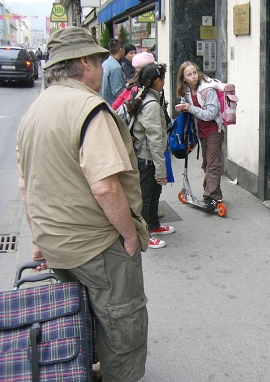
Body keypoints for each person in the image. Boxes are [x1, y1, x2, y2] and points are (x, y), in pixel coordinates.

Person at [17, 27, 149, 382]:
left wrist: (38, 238)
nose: (101, 65)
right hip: (95, 243)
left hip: (55, 242)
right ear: (83, 63)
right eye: (97, 60)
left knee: (80, 315)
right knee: (122, 321)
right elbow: (105, 187)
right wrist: (130, 236)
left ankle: (81, 369)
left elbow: (27, 185)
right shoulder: (89, 109)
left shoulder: (35, 111)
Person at [126, 63, 174, 249]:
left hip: (146, 157)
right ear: (157, 81)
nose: (163, 82)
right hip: (147, 159)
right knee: (146, 197)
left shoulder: (145, 97)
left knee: (154, 194)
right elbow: (155, 140)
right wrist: (161, 170)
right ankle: (144, 234)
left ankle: (153, 226)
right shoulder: (152, 104)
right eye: (162, 78)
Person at [174, 61, 224, 209]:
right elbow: (189, 108)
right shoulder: (186, 91)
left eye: (195, 72)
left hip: (214, 129)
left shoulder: (208, 90)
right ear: (183, 78)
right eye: (189, 74)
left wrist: (191, 108)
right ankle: (213, 193)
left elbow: (210, 114)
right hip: (201, 130)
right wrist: (183, 108)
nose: (193, 76)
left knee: (213, 164)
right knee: (207, 164)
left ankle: (212, 197)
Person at [100, 38, 126, 105]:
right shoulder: (116, 67)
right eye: (124, 48)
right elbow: (117, 91)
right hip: (112, 105)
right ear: (120, 50)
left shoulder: (105, 63)